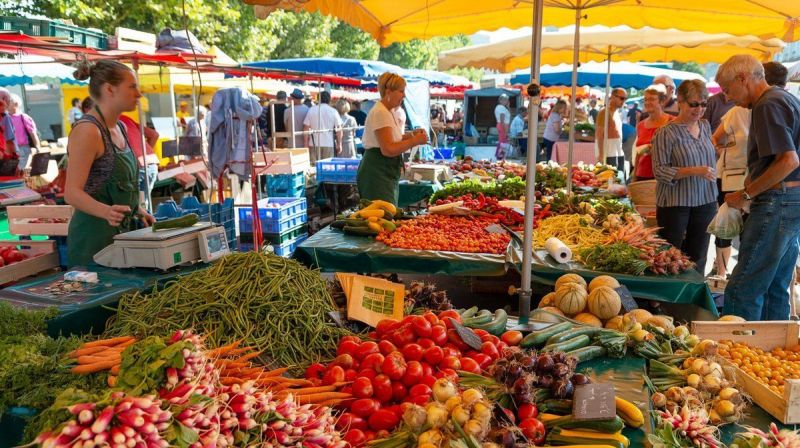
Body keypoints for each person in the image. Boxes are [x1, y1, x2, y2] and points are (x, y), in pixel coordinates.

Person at [718, 55, 800, 321]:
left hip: (777, 200)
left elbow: (788, 160)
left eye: (728, 90)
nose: (729, 98)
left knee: (743, 288)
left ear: (743, 79)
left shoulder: (768, 104)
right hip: (791, 200)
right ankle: (769, 358)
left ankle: (737, 354)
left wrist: (746, 193)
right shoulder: (784, 98)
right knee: (775, 286)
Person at [65, 60, 155, 267]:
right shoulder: (88, 131)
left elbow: (117, 184)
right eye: (132, 86)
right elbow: (71, 193)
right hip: (94, 243)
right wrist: (106, 212)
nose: (138, 94)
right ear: (109, 89)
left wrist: (137, 209)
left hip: (123, 239)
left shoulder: (121, 127)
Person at [651, 79, 718, 275]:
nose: (699, 109)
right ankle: (668, 299)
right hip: (675, 203)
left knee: (698, 254)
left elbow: (708, 156)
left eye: (704, 104)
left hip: (705, 200)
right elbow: (660, 171)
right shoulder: (666, 132)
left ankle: (692, 298)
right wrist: (695, 170)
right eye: (694, 104)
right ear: (680, 101)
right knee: (670, 255)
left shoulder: (705, 127)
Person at [356, 72, 428, 205]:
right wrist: (415, 141)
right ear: (389, 92)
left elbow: (395, 138)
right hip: (377, 173)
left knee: (387, 215)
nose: (404, 95)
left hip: (383, 171)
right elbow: (388, 149)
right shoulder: (380, 112)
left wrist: (412, 135)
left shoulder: (388, 112)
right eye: (401, 91)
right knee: (382, 217)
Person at [710, 104, 749, 278]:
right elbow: (715, 139)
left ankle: (742, 273)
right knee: (725, 224)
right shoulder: (736, 112)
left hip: (755, 178)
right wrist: (724, 150)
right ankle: (721, 273)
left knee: (748, 230)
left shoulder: (770, 109)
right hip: (728, 177)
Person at [633, 84, 673, 181]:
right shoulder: (641, 125)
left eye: (651, 99)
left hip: (663, 177)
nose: (647, 102)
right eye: (645, 99)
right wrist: (634, 177)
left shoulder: (672, 122)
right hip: (642, 176)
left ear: (662, 101)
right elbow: (638, 154)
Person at [118, 114, 160, 204]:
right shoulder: (125, 118)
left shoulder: (108, 122)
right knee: (143, 204)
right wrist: (144, 154)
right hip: (151, 163)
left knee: (135, 207)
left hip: (136, 165)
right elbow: (154, 135)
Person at [303, 91, 342, 162]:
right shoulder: (333, 111)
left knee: (314, 168)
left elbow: (306, 127)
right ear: (329, 100)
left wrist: (305, 144)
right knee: (328, 167)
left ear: (318, 99)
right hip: (328, 143)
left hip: (314, 143)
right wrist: (339, 143)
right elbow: (339, 129)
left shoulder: (311, 110)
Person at [596, 88, 627, 171]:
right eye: (621, 98)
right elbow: (599, 134)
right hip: (608, 152)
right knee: (611, 179)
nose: (623, 101)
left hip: (617, 151)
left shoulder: (616, 112)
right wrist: (601, 154)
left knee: (619, 178)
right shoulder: (604, 112)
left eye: (625, 99)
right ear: (613, 97)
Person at [8, 94, 39, 170]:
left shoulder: (23, 117)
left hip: (22, 149)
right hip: (10, 150)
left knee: (21, 172)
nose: (6, 105)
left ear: (16, 104)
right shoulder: (6, 118)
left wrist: (38, 147)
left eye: (9, 103)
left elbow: (33, 134)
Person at [0, 88, 16, 163]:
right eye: (9, 100)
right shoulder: (5, 117)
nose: (8, 103)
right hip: (4, 160)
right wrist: (14, 158)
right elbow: (9, 141)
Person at [494, 94, 511, 160]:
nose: (506, 101)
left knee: (502, 141)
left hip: (502, 125)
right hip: (503, 125)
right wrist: (505, 130)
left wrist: (508, 107)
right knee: (503, 142)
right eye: (505, 100)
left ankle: (499, 156)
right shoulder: (501, 107)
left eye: (507, 100)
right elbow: (502, 119)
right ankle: (500, 156)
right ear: (500, 100)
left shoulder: (501, 107)